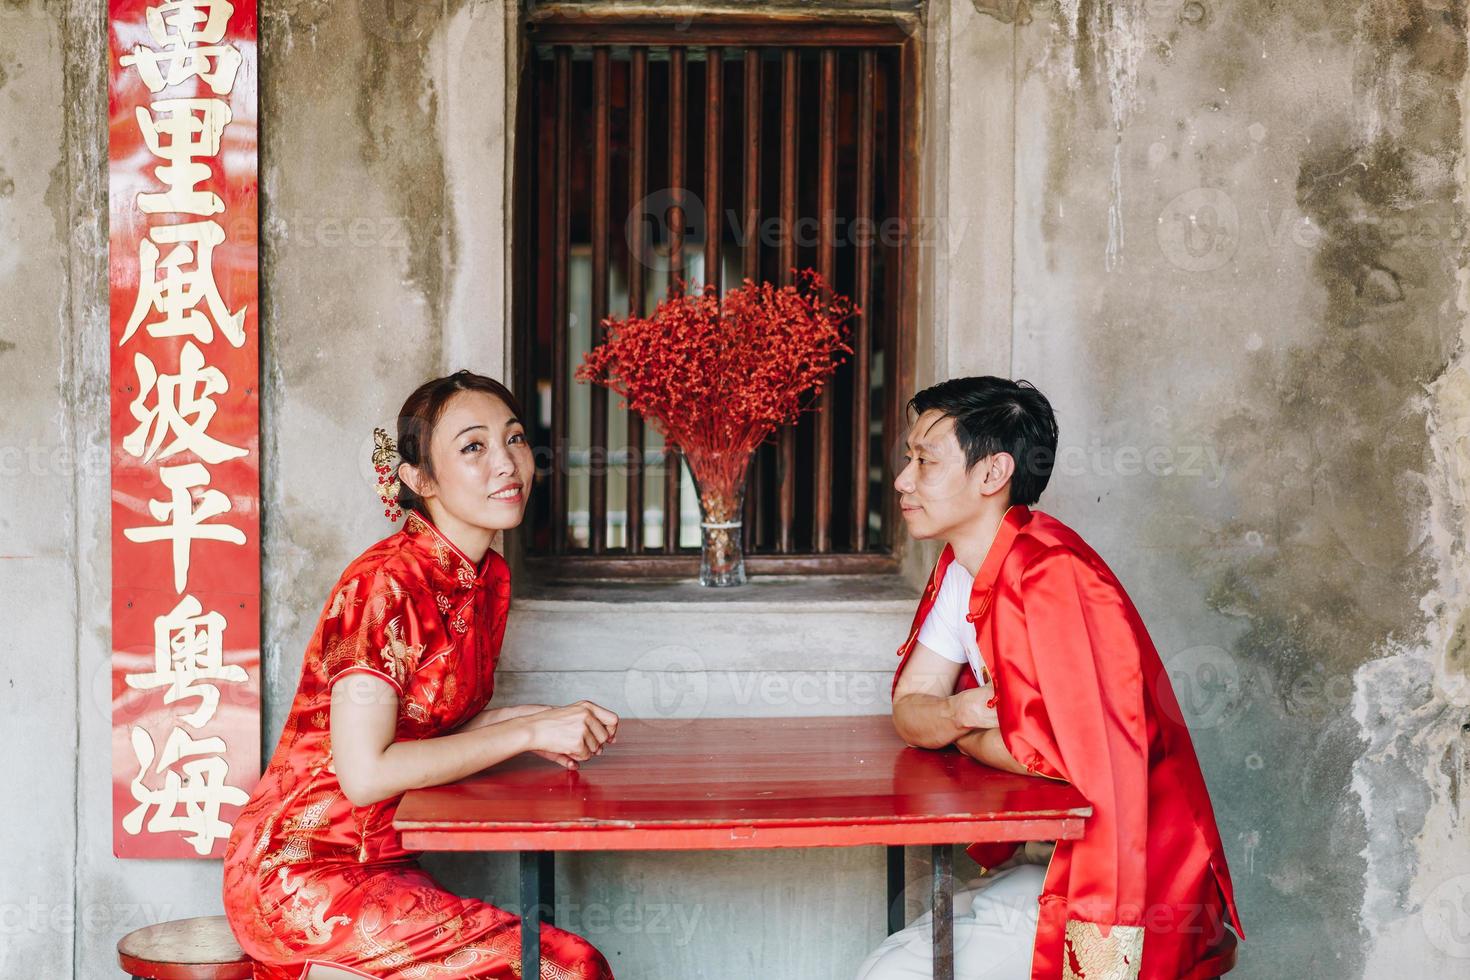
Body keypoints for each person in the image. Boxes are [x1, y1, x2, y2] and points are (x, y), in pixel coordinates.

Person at [223, 371, 619, 979]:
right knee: (568, 968)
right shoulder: (384, 585)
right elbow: (365, 773)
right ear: (420, 479)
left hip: (384, 859)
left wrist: (540, 720)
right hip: (304, 870)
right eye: (473, 447)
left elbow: (430, 726)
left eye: (514, 440)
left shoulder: (486, 580)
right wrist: (526, 736)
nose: (507, 463)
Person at [858, 377, 1243, 980]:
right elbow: (911, 706)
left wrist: (963, 729)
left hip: (1131, 880)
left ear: (992, 474)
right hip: (1048, 853)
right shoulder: (962, 567)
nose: (903, 480)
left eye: (925, 461)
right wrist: (966, 714)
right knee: (890, 961)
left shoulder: (1055, 577)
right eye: (909, 459)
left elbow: (1062, 755)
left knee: (892, 976)